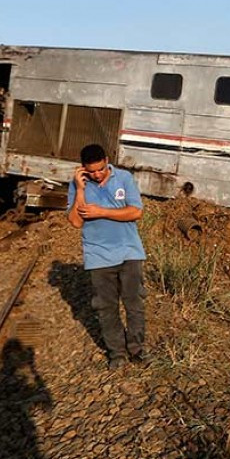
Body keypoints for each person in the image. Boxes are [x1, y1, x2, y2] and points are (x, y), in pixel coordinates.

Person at [67, 144, 148, 370]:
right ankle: (117, 353)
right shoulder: (77, 185)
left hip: (129, 252)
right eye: (91, 171)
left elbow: (136, 211)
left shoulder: (124, 178)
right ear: (83, 168)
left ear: (107, 161)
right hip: (98, 256)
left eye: (100, 169)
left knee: (134, 304)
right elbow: (75, 222)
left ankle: (137, 350)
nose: (97, 175)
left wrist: (101, 212)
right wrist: (80, 190)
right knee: (106, 308)